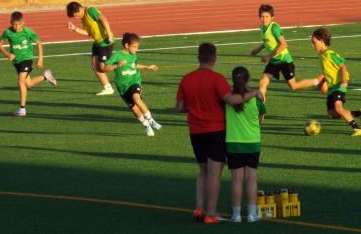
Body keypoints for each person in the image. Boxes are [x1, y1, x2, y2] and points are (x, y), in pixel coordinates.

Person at [176, 43, 258, 225]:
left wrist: (196, 107)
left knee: (203, 171)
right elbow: (231, 99)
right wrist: (254, 93)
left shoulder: (186, 79)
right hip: (215, 131)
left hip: (195, 132)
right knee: (214, 173)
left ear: (198, 57)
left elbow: (180, 107)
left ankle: (199, 207)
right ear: (214, 58)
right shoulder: (216, 78)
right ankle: (211, 213)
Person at [250, 4, 318, 102]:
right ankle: (261, 108)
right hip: (274, 61)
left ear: (272, 17)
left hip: (284, 60)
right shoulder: (262, 28)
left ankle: (316, 81)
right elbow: (267, 41)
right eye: (262, 16)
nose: (264, 19)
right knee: (263, 82)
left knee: (293, 86)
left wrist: (268, 57)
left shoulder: (274, 28)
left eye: (267, 17)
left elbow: (284, 45)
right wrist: (258, 49)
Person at [309, 28, 361, 137]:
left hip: (339, 84)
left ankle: (358, 128)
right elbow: (329, 72)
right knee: (332, 114)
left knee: (338, 107)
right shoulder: (322, 55)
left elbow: (343, 67)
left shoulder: (330, 54)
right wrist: (322, 82)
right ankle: (359, 113)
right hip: (332, 87)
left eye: (314, 43)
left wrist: (344, 81)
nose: (312, 46)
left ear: (322, 41)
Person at [0, 11, 57, 117]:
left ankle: (22, 108)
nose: (15, 27)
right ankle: (46, 76)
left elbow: (39, 42)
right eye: (13, 24)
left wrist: (40, 59)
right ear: (10, 22)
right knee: (27, 84)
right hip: (16, 62)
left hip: (27, 59)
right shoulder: (7, 32)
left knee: (20, 81)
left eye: (18, 24)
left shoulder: (28, 32)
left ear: (23, 23)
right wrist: (7, 54)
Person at [225, 66, 266, 223]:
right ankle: (251, 214)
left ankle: (235, 215)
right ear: (248, 79)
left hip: (233, 143)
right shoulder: (256, 99)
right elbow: (261, 118)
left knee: (236, 179)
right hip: (252, 142)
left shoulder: (228, 98)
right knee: (251, 179)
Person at [100, 33, 161, 136]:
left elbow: (134, 65)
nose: (136, 49)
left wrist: (147, 67)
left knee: (137, 98)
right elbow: (104, 68)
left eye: (137, 46)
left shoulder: (133, 55)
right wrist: (117, 65)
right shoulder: (117, 55)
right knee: (135, 110)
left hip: (134, 81)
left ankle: (151, 120)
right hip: (123, 87)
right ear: (127, 45)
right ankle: (145, 124)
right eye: (134, 46)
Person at [66, 1, 116, 95]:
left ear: (80, 9)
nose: (76, 18)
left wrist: (109, 34)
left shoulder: (90, 11)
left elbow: (104, 19)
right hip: (97, 42)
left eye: (76, 15)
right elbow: (89, 33)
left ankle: (122, 65)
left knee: (102, 67)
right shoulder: (84, 19)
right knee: (94, 65)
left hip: (105, 42)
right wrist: (75, 29)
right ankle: (108, 88)